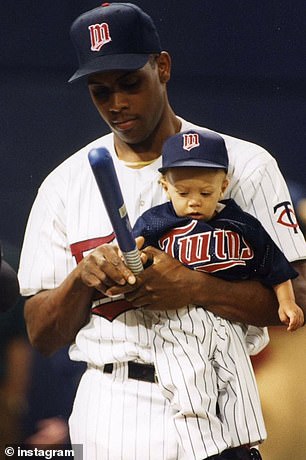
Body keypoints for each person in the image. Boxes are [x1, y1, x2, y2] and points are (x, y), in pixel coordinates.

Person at [18, 3, 306, 460]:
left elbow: (300, 296)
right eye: (100, 91)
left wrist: (192, 286)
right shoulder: (64, 184)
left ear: (163, 67)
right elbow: (42, 333)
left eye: (131, 83)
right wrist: (82, 280)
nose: (117, 103)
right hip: (111, 407)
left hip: (219, 402)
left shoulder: (245, 165)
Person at [131, 128, 304, 458]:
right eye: (183, 192)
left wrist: (286, 302)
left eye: (205, 191)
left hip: (226, 317)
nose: (194, 200)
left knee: (239, 383)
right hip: (175, 322)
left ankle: (245, 448)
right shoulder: (156, 222)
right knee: (190, 387)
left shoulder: (242, 224)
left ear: (224, 186)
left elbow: (275, 265)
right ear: (164, 185)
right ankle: (205, 453)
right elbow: (131, 254)